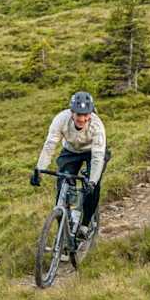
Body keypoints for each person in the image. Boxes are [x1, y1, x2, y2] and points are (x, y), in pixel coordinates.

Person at [31, 91, 111, 237]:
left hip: (92, 152)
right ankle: (64, 230)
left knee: (93, 185)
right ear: (72, 112)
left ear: (90, 113)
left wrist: (92, 181)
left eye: (86, 114)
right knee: (63, 183)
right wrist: (39, 169)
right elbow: (50, 145)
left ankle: (85, 224)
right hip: (71, 150)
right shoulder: (61, 119)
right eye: (78, 114)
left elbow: (98, 157)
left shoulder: (97, 126)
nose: (82, 118)